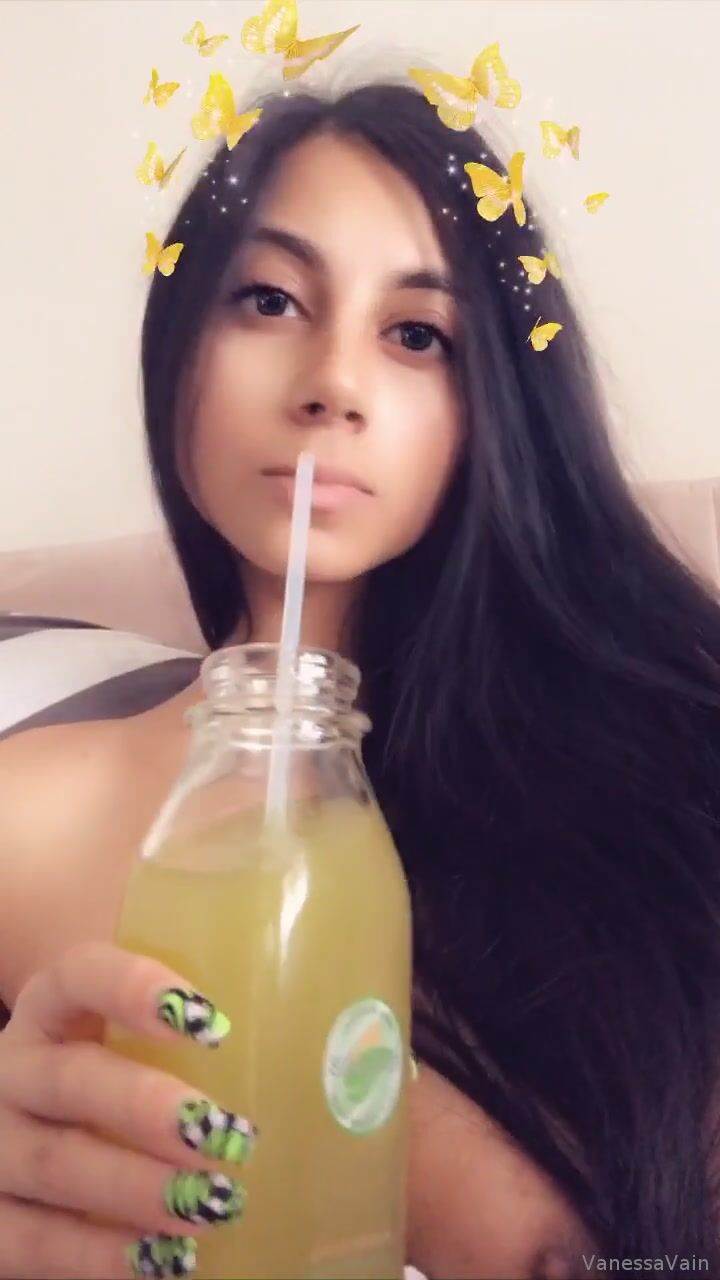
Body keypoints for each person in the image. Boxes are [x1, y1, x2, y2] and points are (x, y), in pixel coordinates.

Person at [0, 74, 719, 1280]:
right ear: (178, 348)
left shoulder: (664, 738)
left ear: (491, 407)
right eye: (270, 299)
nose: (333, 382)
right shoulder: (30, 812)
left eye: (416, 334)